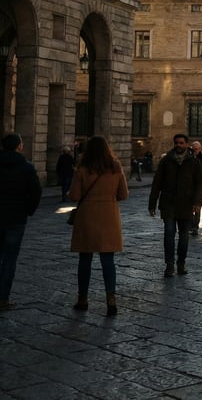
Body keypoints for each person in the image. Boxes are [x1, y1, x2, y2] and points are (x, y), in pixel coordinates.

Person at [69, 135, 128, 317]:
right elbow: (123, 194)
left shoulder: (82, 168)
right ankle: (111, 299)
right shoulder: (116, 167)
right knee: (107, 260)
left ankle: (82, 299)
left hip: (87, 215)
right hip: (108, 215)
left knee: (84, 259)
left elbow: (74, 196)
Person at [149, 134, 202, 278]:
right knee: (169, 234)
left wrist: (197, 202)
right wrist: (152, 202)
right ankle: (169, 265)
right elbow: (157, 183)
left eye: (181, 143)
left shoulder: (194, 162)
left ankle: (181, 263)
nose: (178, 145)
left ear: (187, 144)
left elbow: (200, 184)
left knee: (183, 236)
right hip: (168, 203)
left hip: (186, 204)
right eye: (176, 143)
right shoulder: (166, 161)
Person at [0, 133, 42, 310]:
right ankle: (2, 298)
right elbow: (35, 193)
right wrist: (28, 210)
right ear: (18, 147)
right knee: (10, 259)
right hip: (16, 218)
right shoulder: (27, 168)